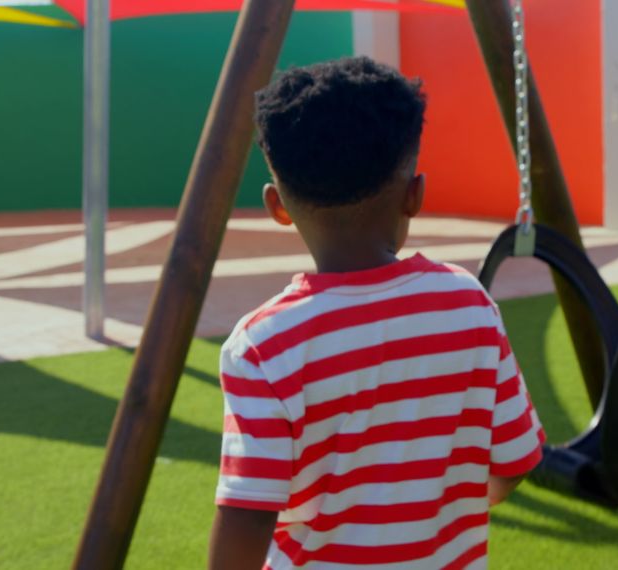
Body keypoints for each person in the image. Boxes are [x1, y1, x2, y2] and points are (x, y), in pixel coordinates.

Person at [208, 56, 545, 570]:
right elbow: (514, 460)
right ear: (415, 195)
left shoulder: (263, 345)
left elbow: (247, 517)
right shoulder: (469, 304)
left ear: (277, 206)